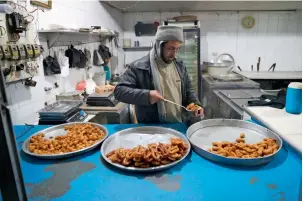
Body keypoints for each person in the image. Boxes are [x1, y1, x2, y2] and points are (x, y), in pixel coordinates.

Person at [114, 25, 203, 124]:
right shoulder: (139, 67)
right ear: (159, 45)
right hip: (152, 126)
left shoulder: (179, 65)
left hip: (180, 123)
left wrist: (195, 104)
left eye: (177, 49)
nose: (174, 55)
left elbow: (188, 89)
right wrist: (147, 96)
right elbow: (119, 92)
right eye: (171, 49)